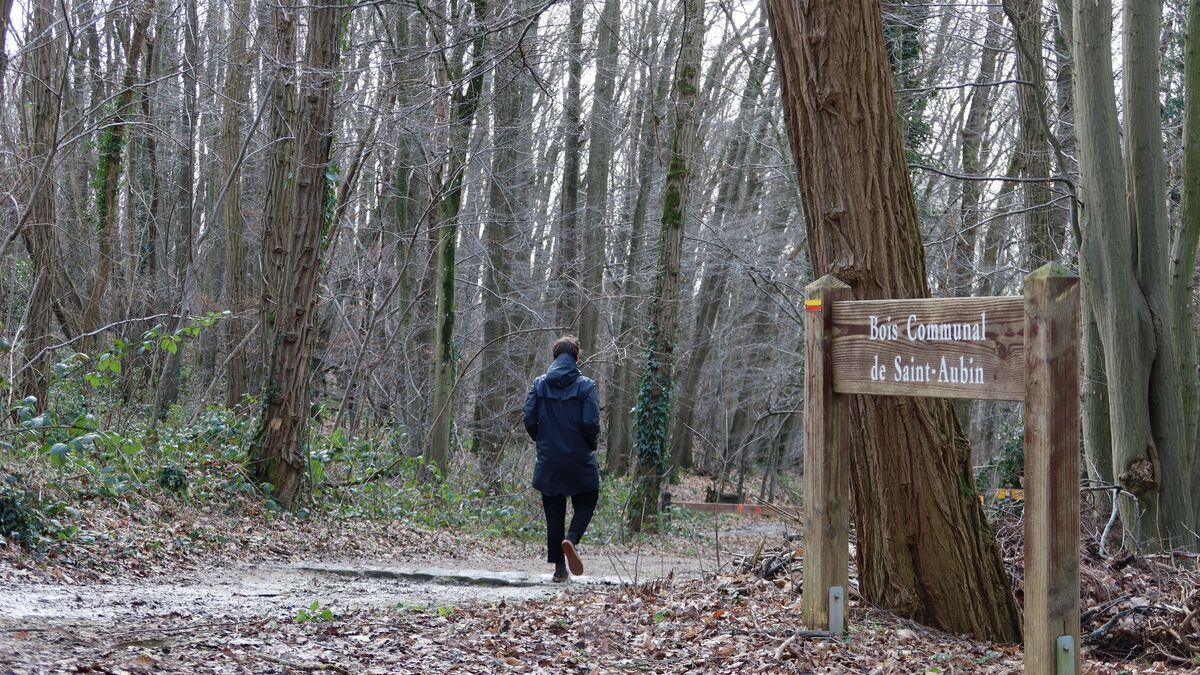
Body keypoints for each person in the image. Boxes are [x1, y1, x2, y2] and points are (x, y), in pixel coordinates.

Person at [523, 335, 601, 582]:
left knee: (554, 512)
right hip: (579, 458)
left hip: (549, 460)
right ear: (577, 358)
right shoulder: (586, 386)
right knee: (588, 498)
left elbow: (528, 417)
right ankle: (572, 538)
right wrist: (591, 444)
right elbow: (591, 422)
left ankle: (559, 569)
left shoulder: (539, 384)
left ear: (554, 358)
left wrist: (541, 440)